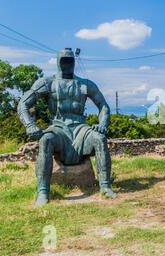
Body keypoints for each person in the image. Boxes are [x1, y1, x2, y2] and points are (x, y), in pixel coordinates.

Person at [18, 48, 117, 206]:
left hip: (81, 129)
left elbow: (103, 106)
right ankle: (43, 191)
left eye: (70, 60)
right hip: (58, 128)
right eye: (63, 60)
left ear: (74, 62)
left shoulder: (85, 84)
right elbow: (23, 103)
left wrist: (102, 124)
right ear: (58, 62)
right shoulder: (47, 82)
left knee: (99, 139)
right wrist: (30, 125)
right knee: (46, 140)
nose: (67, 64)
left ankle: (105, 186)